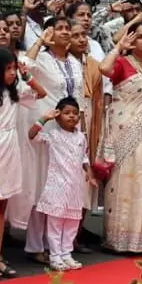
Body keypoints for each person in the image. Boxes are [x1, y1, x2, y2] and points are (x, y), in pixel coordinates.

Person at [0, 46, 46, 277]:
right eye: (8, 69)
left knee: (2, 206)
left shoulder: (14, 91)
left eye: (14, 68)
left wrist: (27, 75)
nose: (12, 73)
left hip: (11, 149)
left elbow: (42, 93)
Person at [98, 23, 142, 254]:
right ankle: (118, 238)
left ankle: (140, 238)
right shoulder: (122, 63)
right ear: (132, 40)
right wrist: (119, 47)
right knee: (124, 183)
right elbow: (104, 68)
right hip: (125, 134)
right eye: (140, 37)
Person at [32, 97, 94, 269]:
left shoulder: (81, 137)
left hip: (75, 187)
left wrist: (89, 173)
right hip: (57, 186)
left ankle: (67, 253)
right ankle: (55, 255)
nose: (72, 116)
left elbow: (84, 157)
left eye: (75, 113)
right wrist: (45, 118)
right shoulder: (53, 136)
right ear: (58, 116)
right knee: (55, 222)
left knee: (72, 222)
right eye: (67, 113)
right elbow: (32, 135)